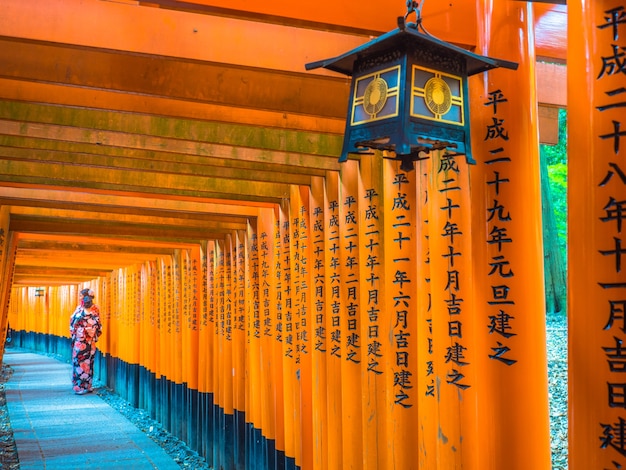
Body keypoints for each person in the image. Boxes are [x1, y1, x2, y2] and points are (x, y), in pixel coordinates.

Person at [69, 288, 102, 395]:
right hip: (79, 341)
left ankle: (87, 385)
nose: (79, 298)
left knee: (88, 362)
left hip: (89, 341)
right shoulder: (79, 308)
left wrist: (89, 330)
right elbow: (73, 323)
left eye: (81, 296)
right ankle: (79, 386)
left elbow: (97, 324)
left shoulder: (95, 309)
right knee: (78, 362)